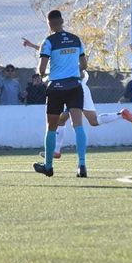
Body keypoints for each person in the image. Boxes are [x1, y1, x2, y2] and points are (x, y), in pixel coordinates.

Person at [33, 10, 89, 177]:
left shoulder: (48, 41)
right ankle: (82, 165)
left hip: (56, 88)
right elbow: (84, 65)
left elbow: (42, 69)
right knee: (78, 125)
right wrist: (72, 69)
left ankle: (48, 166)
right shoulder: (76, 39)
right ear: (62, 21)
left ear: (49, 23)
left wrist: (45, 74)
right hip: (74, 86)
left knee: (51, 127)